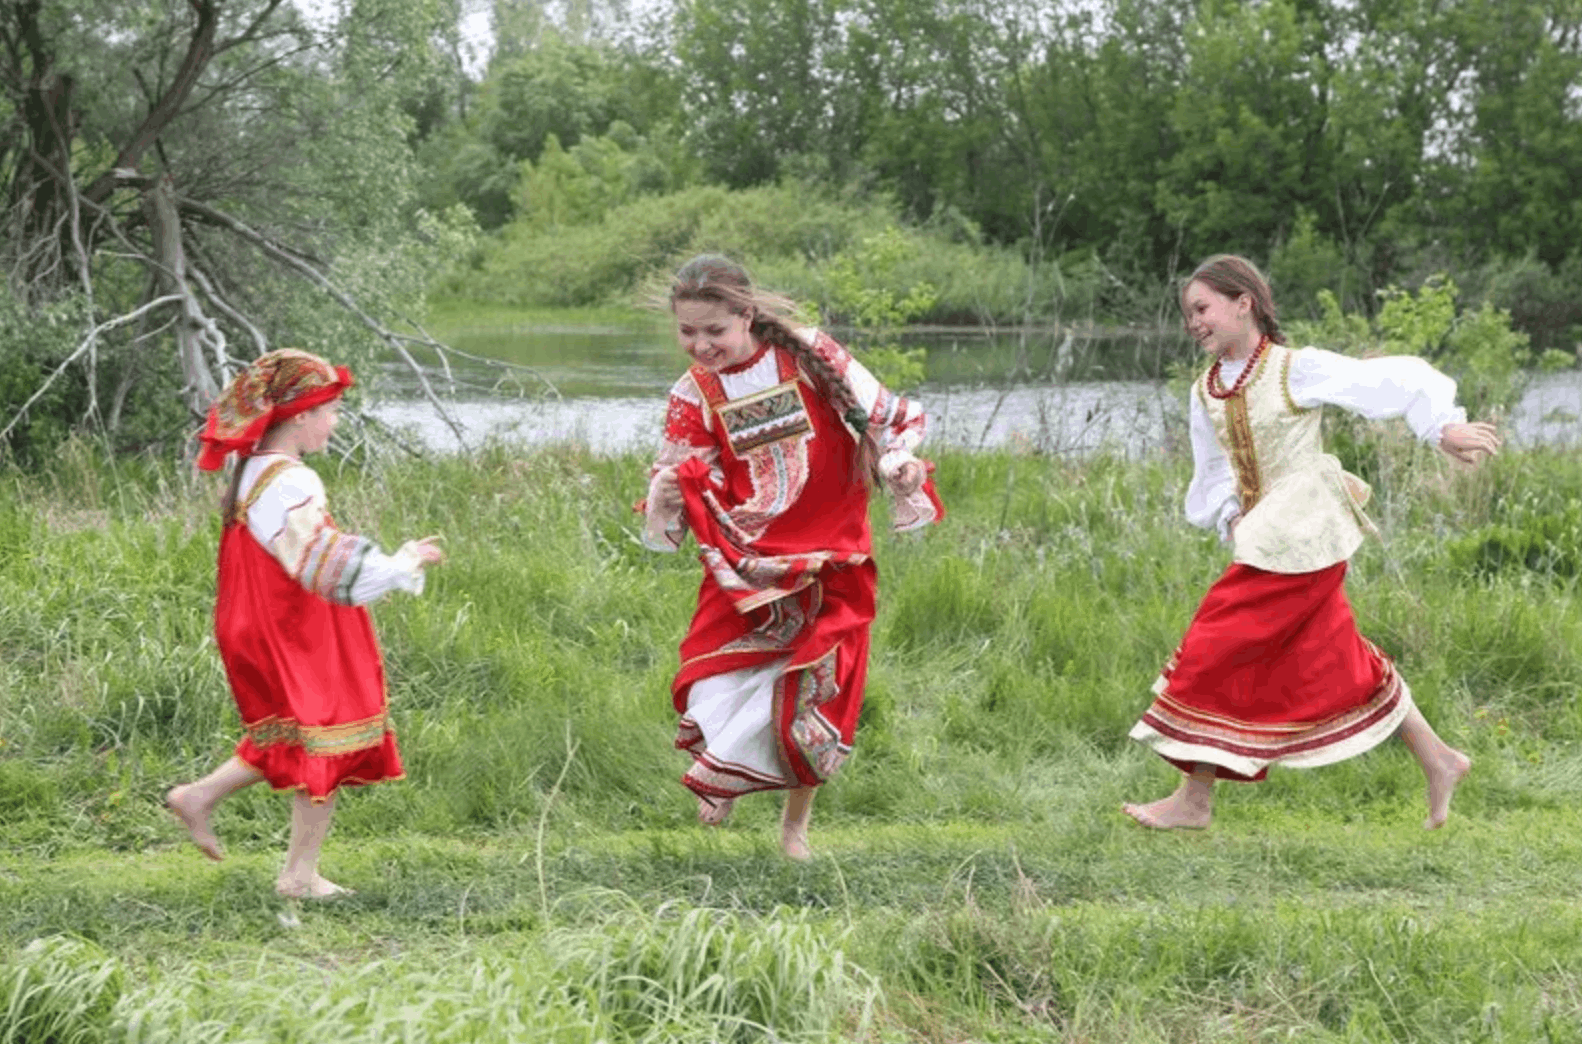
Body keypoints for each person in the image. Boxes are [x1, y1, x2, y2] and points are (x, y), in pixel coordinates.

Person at [1123, 255, 1499, 831]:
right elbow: (1214, 470)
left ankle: (1193, 802)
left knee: (1212, 642)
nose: (1192, 322)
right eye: (1187, 314)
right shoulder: (1206, 390)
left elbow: (1390, 380)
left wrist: (1439, 426)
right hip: (1264, 540)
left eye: (1202, 308)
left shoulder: (1294, 369)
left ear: (1242, 303)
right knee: (1335, 657)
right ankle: (1440, 759)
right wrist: (1231, 519)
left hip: (1307, 530)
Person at [640, 254, 944, 860]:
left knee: (811, 691)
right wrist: (666, 491)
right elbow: (682, 468)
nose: (700, 345)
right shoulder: (693, 392)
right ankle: (723, 768)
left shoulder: (809, 354)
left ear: (746, 314)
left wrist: (900, 467)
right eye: (687, 332)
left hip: (831, 555)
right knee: (710, 669)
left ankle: (794, 829)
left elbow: (883, 420)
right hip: (746, 558)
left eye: (714, 331)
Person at [166, 349, 444, 898]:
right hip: (293, 626)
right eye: (330, 409)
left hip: (259, 619)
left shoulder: (250, 470)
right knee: (327, 735)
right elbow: (323, 563)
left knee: (294, 731)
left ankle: (197, 797)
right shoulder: (290, 481)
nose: (335, 421)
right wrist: (403, 562)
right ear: (300, 416)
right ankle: (299, 875)